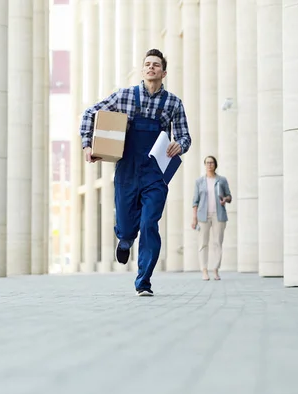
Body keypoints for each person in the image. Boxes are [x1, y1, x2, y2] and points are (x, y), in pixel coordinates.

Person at [80, 49, 192, 296]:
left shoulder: (173, 103)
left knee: (150, 222)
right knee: (127, 222)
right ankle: (125, 237)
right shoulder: (125, 96)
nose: (151, 68)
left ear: (163, 72)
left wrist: (179, 144)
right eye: (147, 64)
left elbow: (185, 136)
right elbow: (90, 113)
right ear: (143, 70)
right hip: (127, 170)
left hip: (155, 173)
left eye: (156, 65)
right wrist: (88, 144)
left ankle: (143, 282)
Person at [191, 156, 232, 281]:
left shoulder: (222, 180)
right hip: (203, 215)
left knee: (217, 243)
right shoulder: (199, 182)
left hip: (218, 215)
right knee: (203, 243)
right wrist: (194, 218)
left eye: (212, 162)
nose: (209, 165)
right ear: (204, 165)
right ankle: (204, 270)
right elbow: (195, 201)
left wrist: (225, 199)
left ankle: (215, 269)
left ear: (215, 164)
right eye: (207, 162)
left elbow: (229, 196)